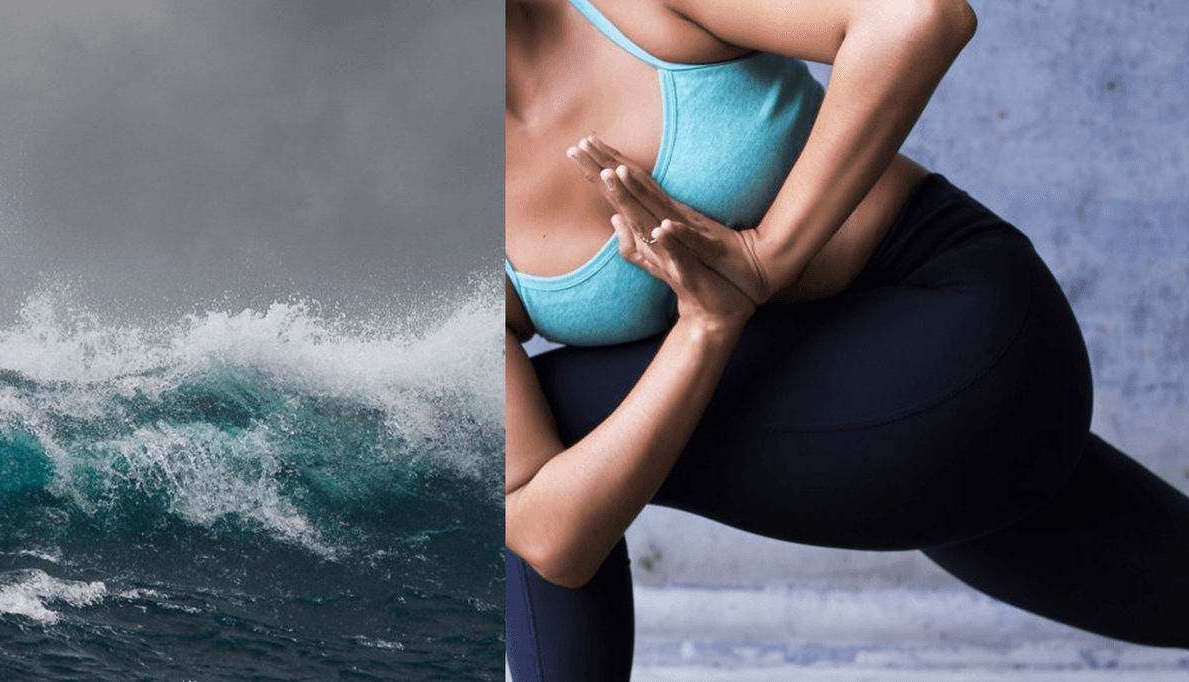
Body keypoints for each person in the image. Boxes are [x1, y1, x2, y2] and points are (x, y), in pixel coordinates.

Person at [503, 0, 1189, 679]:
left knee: (565, 416)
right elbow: (549, 537)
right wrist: (707, 327)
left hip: (962, 334)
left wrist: (767, 257)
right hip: (849, 437)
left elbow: (920, 19)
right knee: (540, 481)